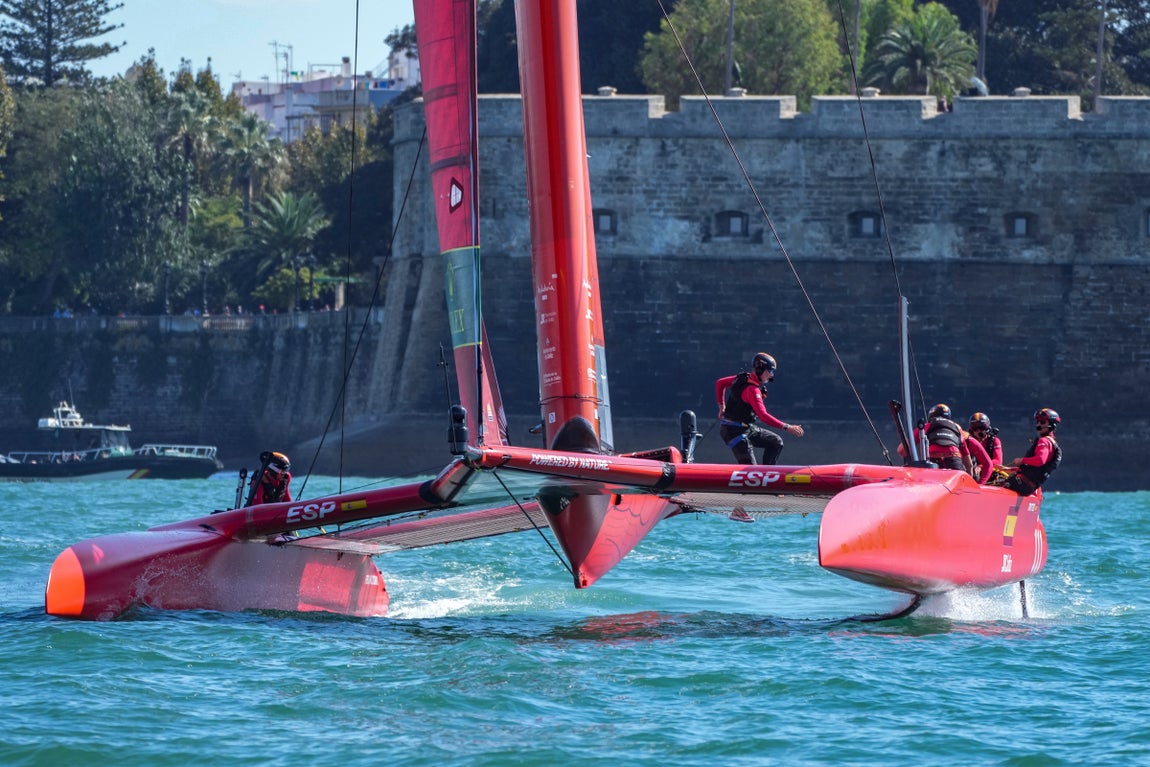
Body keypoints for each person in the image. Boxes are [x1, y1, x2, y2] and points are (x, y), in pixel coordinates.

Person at [715, 352, 804, 464]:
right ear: (761, 370)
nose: (771, 375)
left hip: (746, 428)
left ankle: (768, 475)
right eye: (770, 371)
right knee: (750, 469)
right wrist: (787, 427)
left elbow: (720, 383)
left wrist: (721, 406)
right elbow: (763, 416)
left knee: (776, 442)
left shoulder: (742, 378)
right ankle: (759, 477)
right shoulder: (753, 390)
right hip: (733, 431)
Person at [997, 408, 1062, 496]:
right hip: (1028, 486)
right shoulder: (1052, 442)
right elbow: (1033, 470)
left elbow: (1040, 460)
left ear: (1052, 424)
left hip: (1023, 484)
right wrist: (1008, 469)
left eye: (1042, 422)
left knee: (995, 482)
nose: (1039, 424)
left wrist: (1021, 460)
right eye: (1037, 422)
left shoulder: (1044, 441)